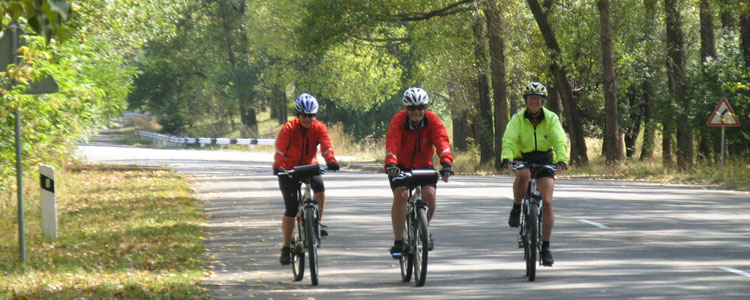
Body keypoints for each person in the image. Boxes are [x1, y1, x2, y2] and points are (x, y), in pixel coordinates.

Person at [501, 82, 568, 267]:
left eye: (537, 99)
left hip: (545, 158)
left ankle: (545, 247)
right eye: (531, 99)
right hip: (522, 156)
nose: (534, 102)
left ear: (542, 101)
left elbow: (559, 139)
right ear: (526, 101)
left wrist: (562, 159)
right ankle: (516, 207)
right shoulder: (517, 119)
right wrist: (506, 157)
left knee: (546, 202)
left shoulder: (552, 118)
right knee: (523, 175)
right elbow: (509, 139)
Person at [385, 87, 454, 258]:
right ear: (406, 109)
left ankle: (423, 228)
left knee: (429, 195)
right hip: (400, 166)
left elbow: (442, 142)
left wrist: (446, 163)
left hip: (424, 165)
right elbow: (392, 143)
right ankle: (399, 241)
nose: (416, 112)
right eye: (412, 108)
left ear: (426, 107)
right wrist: (391, 164)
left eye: (420, 107)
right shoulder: (398, 120)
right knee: (401, 196)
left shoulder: (433, 120)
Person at [273, 93, 340, 265]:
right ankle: (286, 247)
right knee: (291, 208)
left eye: (311, 115)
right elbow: (280, 150)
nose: (307, 119)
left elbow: (326, 146)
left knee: (319, 187)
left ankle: (317, 223)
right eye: (304, 115)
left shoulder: (319, 128)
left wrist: (331, 160)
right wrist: (278, 165)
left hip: (309, 165)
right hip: (288, 169)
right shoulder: (288, 128)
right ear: (298, 115)